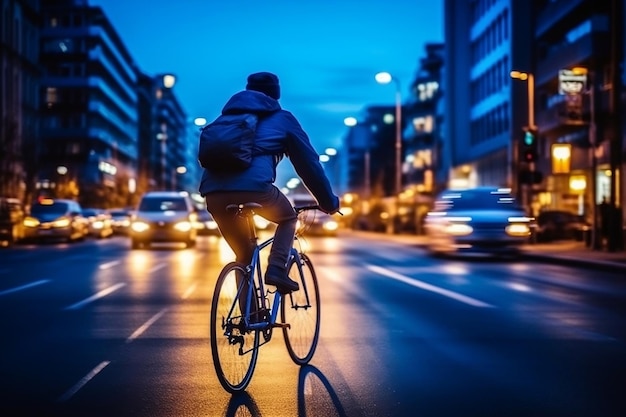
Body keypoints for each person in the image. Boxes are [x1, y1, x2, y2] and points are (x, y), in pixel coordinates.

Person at [199, 71, 340, 293]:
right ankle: (276, 269)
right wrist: (328, 202)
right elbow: (308, 165)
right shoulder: (283, 119)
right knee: (287, 218)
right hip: (255, 190)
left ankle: (247, 318)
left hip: (214, 193)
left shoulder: (224, 119)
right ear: (276, 95)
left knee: (243, 256)